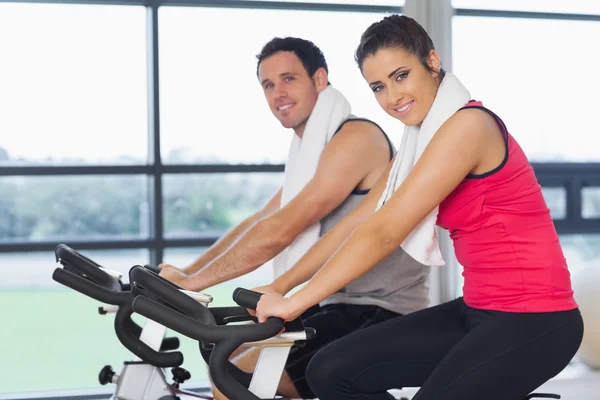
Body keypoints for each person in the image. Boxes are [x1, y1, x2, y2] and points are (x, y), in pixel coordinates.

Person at [254, 15, 584, 400]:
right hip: (478, 309)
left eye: (400, 76)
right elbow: (360, 222)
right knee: (328, 370)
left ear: (431, 61)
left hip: (536, 320)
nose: (392, 97)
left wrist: (294, 304)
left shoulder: (468, 127)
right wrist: (279, 286)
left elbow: (385, 232)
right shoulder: (420, 142)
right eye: (378, 86)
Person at [159, 37, 432, 400]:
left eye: (289, 79)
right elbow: (261, 220)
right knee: (232, 364)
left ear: (320, 80)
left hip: (379, 309)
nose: (278, 93)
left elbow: (284, 228)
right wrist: (186, 274)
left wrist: (193, 282)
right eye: (268, 85)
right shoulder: (310, 152)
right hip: (338, 305)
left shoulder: (356, 138)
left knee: (233, 376)